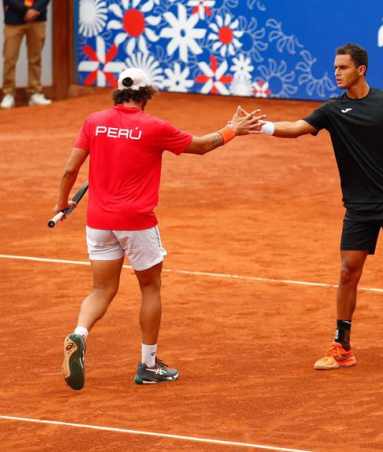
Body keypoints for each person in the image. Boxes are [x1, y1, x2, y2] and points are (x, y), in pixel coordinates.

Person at [55, 68, 263, 390]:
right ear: (146, 94)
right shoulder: (154, 127)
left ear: (118, 93)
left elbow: (70, 169)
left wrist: (62, 203)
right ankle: (149, 365)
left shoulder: (94, 121)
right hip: (136, 222)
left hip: (97, 221)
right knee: (150, 288)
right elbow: (202, 145)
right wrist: (232, 129)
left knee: (102, 290)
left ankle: (79, 334)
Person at [255, 43, 383, 370]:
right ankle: (343, 346)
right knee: (347, 272)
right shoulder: (331, 109)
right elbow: (298, 128)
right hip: (358, 207)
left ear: (361, 70)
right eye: (335, 67)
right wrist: (263, 127)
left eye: (342, 67)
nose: (336, 72)